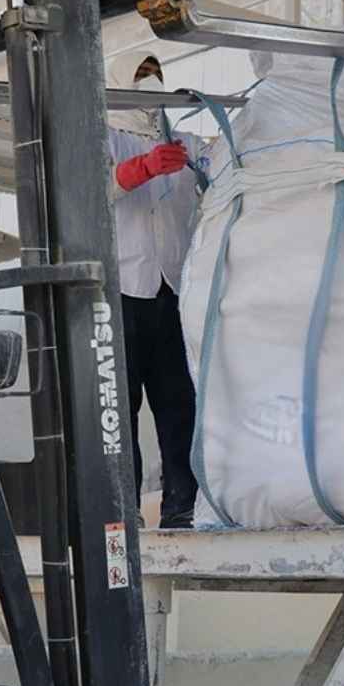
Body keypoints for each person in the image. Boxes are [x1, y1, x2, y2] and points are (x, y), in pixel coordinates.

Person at [106, 52, 201, 528]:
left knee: (179, 402)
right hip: (120, 289)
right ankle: (124, 511)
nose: (151, 82)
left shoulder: (180, 140)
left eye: (155, 73)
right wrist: (135, 171)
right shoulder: (98, 132)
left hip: (170, 290)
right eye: (141, 73)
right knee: (120, 410)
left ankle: (181, 505)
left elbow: (218, 167)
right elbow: (83, 191)